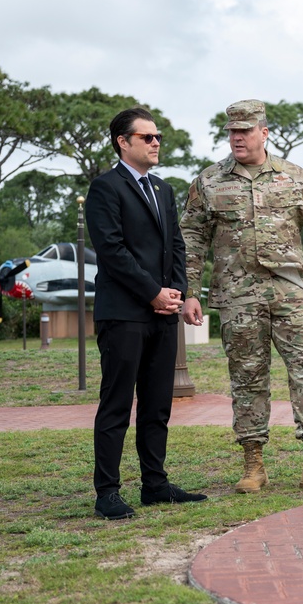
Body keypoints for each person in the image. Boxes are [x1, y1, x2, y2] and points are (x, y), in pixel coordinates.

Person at [181, 99, 303, 494]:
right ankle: (253, 466)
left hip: (289, 292)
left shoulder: (296, 177)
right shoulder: (209, 182)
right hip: (238, 296)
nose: (237, 138)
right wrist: (190, 291)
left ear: (265, 132)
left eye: (245, 130)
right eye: (231, 131)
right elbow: (190, 239)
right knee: (247, 380)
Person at [85, 107, 207, 519]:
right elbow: (112, 251)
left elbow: (176, 245)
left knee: (157, 405)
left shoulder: (165, 190)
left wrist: (180, 293)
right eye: (147, 137)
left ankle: (154, 484)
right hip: (123, 313)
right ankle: (107, 492)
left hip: (162, 314)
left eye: (158, 138)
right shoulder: (105, 188)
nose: (156, 143)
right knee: (116, 404)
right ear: (123, 142)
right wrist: (153, 292)